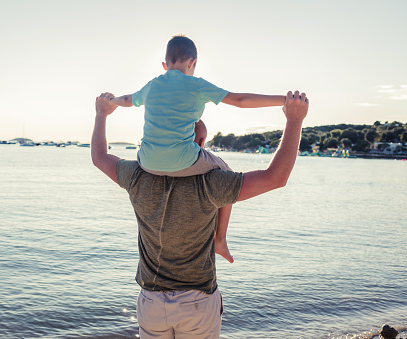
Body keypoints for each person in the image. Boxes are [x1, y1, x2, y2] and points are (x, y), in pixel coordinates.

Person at [92, 90, 309, 338]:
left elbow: (99, 157)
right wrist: (294, 120)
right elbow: (275, 178)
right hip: (196, 301)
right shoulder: (212, 182)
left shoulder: (137, 175)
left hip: (151, 300)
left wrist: (101, 114)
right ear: (201, 144)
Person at [109, 34, 286, 263]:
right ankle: (220, 239)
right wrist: (284, 100)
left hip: (146, 161)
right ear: (193, 62)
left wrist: (109, 102)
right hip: (183, 160)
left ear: (165, 65)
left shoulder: (152, 85)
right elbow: (240, 100)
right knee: (226, 172)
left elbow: (126, 99)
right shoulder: (196, 84)